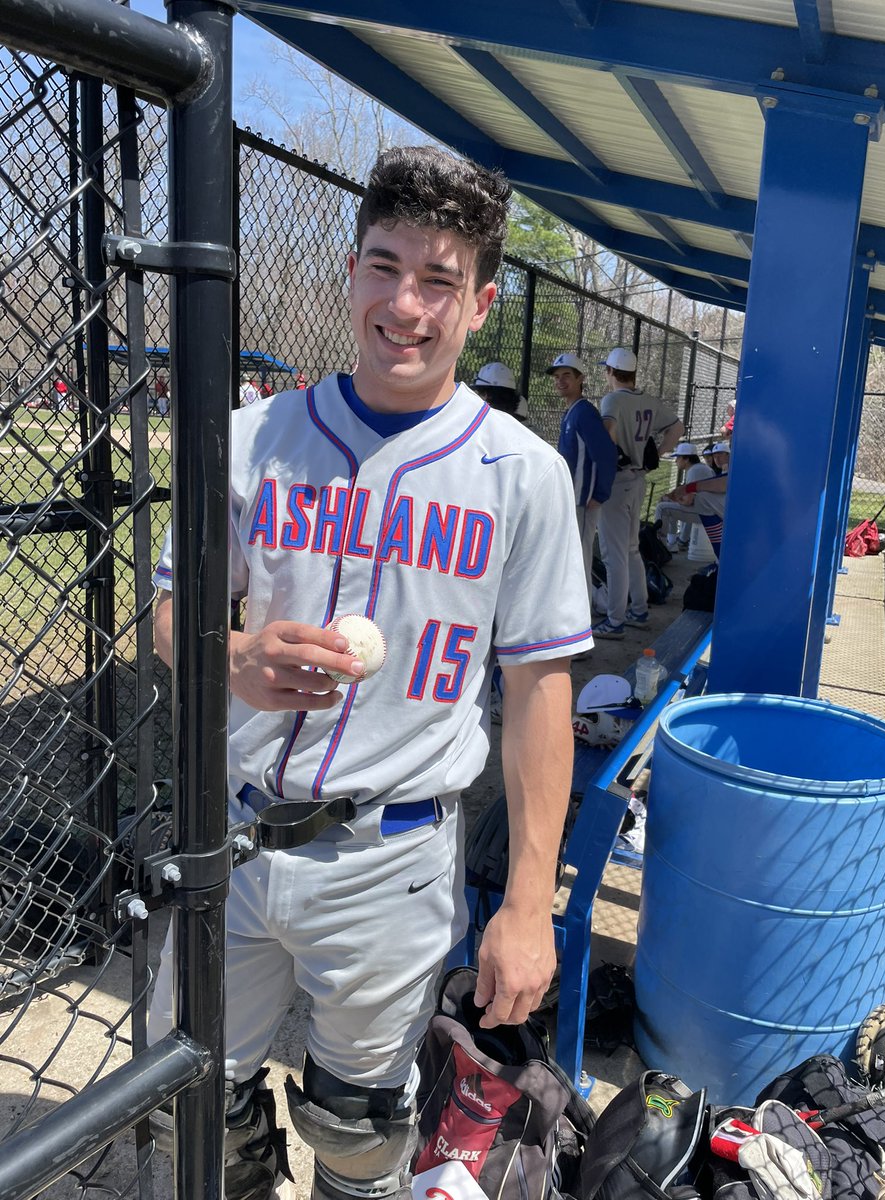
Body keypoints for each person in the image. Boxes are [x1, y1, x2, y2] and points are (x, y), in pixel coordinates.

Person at [148, 146, 593, 1200]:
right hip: (235, 833)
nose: (407, 304)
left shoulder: (520, 475)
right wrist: (230, 653)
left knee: (358, 1127)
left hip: (391, 861)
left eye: (440, 281)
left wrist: (530, 905)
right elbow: (168, 617)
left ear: (480, 304)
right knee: (193, 1101)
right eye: (386, 267)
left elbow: (541, 694)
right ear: (351, 272)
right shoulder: (253, 437)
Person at [593, 347, 683, 638]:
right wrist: (659, 450)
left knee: (614, 554)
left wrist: (613, 450)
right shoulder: (648, 400)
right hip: (639, 479)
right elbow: (677, 427)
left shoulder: (613, 398)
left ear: (611, 372)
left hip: (618, 481)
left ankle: (615, 620)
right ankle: (639, 609)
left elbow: (607, 428)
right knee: (630, 548)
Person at [549, 352, 617, 607]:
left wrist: (599, 494)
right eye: (557, 376)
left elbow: (606, 453)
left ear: (580, 379)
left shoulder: (584, 412)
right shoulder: (572, 412)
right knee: (574, 555)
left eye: (567, 375)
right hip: (573, 498)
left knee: (580, 556)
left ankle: (580, 616)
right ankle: (579, 611)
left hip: (583, 500)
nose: (560, 381)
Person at [657, 441, 712, 553]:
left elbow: (688, 501)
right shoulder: (700, 468)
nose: (676, 460)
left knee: (662, 508)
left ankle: (660, 545)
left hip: (704, 513)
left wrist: (673, 499)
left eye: (678, 457)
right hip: (707, 509)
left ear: (686, 459)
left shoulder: (695, 470)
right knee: (669, 505)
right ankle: (673, 543)